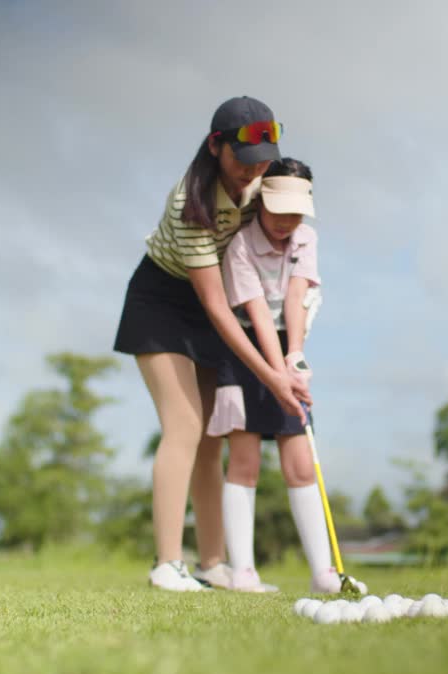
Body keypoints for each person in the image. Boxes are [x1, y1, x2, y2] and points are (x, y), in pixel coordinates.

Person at [113, 97, 310, 591]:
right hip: (163, 301)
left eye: (263, 162)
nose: (254, 173)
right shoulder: (190, 202)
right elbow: (216, 306)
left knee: (211, 438)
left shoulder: (265, 182)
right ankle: (165, 564)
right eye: (244, 163)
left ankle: (213, 563)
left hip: (217, 304)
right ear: (215, 147)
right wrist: (271, 375)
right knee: (184, 424)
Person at [205, 157, 361, 594]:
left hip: (285, 344)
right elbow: (254, 312)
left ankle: (324, 573)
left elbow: (295, 298)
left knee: (299, 464)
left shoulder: (305, 238)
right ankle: (244, 573)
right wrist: (277, 373)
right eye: (278, 210)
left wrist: (295, 357)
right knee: (245, 462)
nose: (286, 221)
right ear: (262, 203)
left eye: (296, 212)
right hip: (243, 349)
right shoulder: (240, 247)